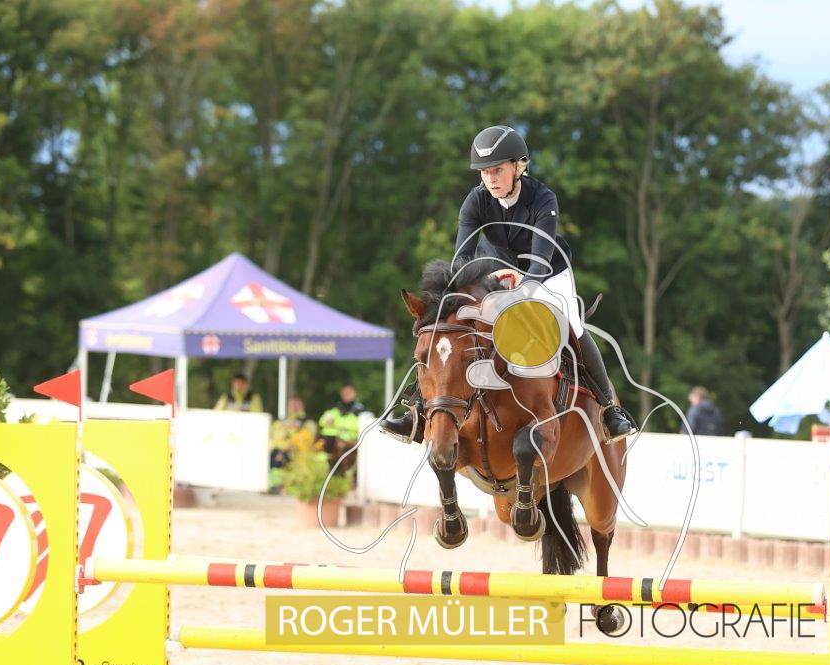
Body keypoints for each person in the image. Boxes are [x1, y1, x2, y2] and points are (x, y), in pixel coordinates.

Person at [379, 125, 637, 444]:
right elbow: (462, 260)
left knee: (572, 321)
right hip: (494, 270)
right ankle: (417, 411)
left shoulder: (542, 198)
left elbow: (540, 261)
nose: (491, 179)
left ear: (519, 166)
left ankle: (610, 409)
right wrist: (454, 297)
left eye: (498, 170)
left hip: (547, 272)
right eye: (485, 172)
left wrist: (520, 290)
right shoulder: (475, 201)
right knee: (447, 325)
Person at [269, 396, 315, 491]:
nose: (294, 407)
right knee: (275, 454)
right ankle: (275, 485)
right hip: (282, 450)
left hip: (298, 451)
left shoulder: (308, 422)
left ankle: (280, 485)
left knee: (280, 455)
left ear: (302, 405)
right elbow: (273, 437)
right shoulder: (280, 422)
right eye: (291, 404)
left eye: (297, 404)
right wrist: (283, 445)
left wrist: (291, 442)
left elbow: (308, 439)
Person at [319, 383, 364, 466]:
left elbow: (361, 425)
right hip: (333, 441)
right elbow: (322, 421)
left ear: (354, 393)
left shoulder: (360, 409)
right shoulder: (335, 407)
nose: (347, 394)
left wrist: (337, 425)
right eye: (345, 392)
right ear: (341, 393)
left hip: (352, 441)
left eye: (349, 392)